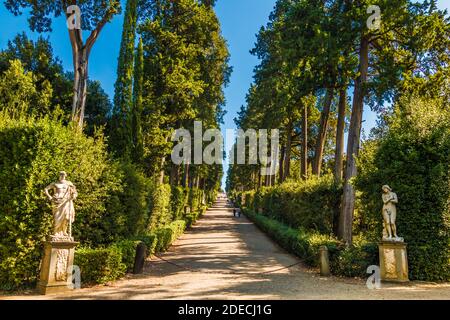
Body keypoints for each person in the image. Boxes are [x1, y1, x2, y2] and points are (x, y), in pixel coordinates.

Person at [44, 171, 78, 239]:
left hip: (66, 202)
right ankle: (56, 232)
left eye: (63, 175)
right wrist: (50, 197)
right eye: (61, 175)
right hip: (57, 201)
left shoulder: (69, 183)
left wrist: (74, 195)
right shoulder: (55, 183)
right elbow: (46, 189)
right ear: (59, 175)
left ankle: (64, 231)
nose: (62, 176)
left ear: (65, 175)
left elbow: (74, 191)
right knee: (57, 217)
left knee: (66, 217)